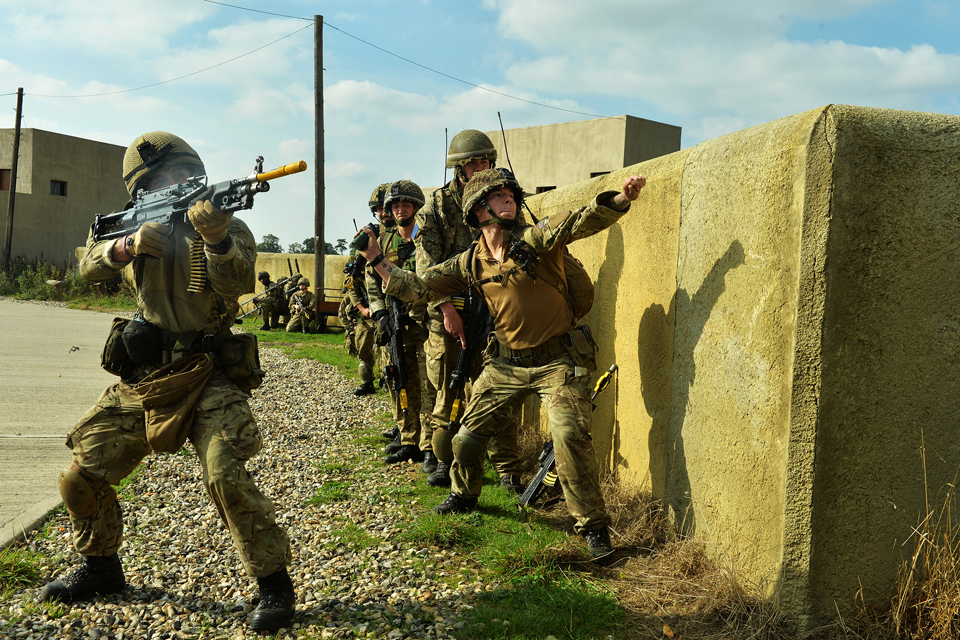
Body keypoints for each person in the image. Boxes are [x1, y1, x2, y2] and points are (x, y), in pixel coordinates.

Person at [39, 131, 295, 630]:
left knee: (226, 475)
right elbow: (87, 265)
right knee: (79, 475)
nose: (177, 184)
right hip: (148, 374)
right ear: (140, 190)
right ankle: (101, 567)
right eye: (162, 179)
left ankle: (274, 586)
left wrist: (216, 238)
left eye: (182, 174)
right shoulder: (128, 229)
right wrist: (125, 248)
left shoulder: (227, 224)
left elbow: (241, 280)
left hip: (208, 372)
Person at [356, 167, 646, 559]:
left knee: (568, 438)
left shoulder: (534, 238)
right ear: (478, 211)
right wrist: (376, 258)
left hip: (557, 361)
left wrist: (620, 199)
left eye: (510, 194)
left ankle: (593, 528)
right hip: (505, 364)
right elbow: (420, 286)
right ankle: (465, 493)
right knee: (465, 439)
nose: (508, 199)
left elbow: (577, 222)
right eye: (498, 196)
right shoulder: (470, 262)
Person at [415, 129, 524, 488]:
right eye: (472, 163)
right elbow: (425, 265)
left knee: (497, 388)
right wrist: (447, 309)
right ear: (458, 169)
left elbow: (519, 245)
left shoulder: (503, 196)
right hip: (450, 306)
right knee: (449, 384)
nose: (479, 168)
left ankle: (507, 468)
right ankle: (445, 459)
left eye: (484, 161)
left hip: (494, 308)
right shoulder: (437, 208)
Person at [365, 180, 430, 464]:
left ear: (416, 207)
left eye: (406, 204)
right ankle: (408, 438)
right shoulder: (385, 240)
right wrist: (380, 314)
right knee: (399, 381)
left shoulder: (428, 236)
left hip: (424, 321)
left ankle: (430, 446)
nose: (400, 210)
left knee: (429, 385)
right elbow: (372, 280)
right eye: (395, 205)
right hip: (394, 321)